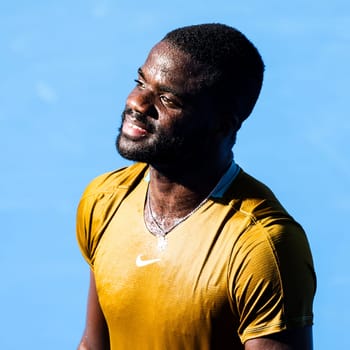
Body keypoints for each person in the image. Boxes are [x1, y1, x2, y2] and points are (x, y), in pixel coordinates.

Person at [76, 23, 316, 349]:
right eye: (140, 82)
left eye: (167, 99)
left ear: (221, 124)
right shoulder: (104, 201)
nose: (137, 102)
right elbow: (93, 346)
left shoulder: (262, 247)